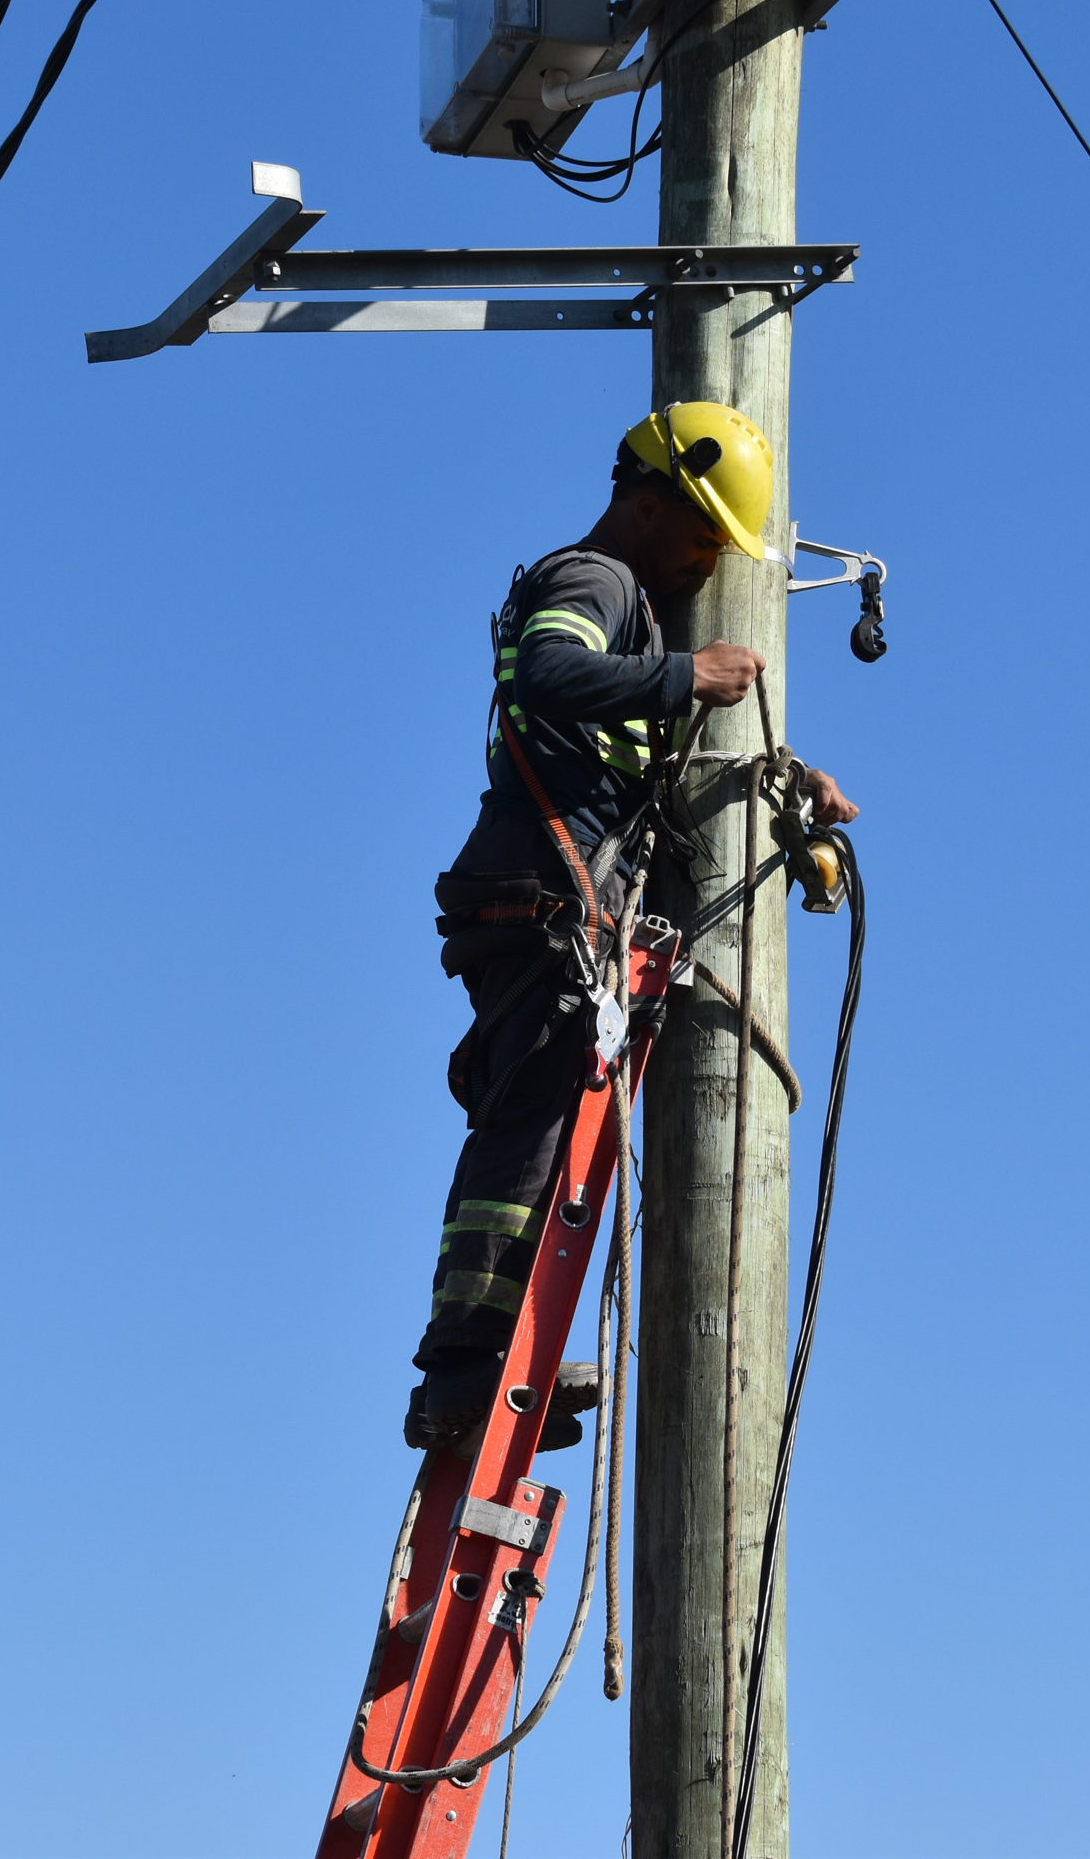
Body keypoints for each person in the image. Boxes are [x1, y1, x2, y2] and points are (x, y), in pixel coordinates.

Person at [409, 403, 859, 1448]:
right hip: (537, 891)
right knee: (529, 1120)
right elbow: (541, 674)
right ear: (648, 507)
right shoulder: (595, 579)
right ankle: (467, 1368)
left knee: (548, 1119)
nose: (711, 564)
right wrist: (683, 675)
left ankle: (482, 1354)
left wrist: (790, 786)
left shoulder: (641, 612)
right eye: (705, 536)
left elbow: (672, 776)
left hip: (555, 897)